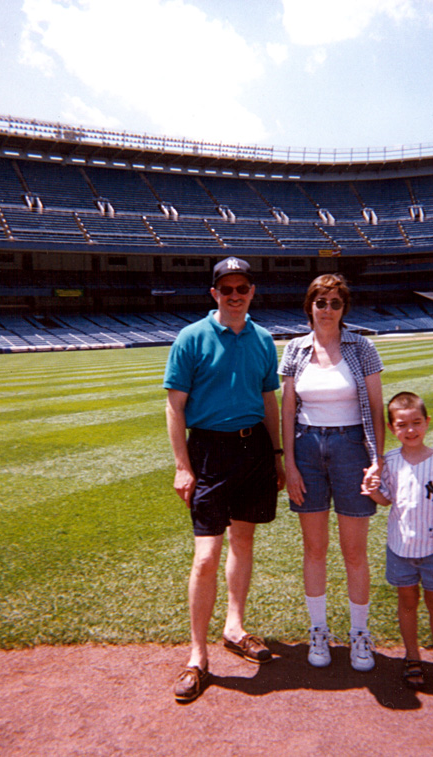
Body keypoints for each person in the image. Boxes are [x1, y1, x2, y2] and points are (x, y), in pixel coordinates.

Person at [164, 256, 286, 703]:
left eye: (243, 288)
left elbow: (267, 399)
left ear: (252, 291)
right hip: (209, 451)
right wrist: (182, 464)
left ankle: (234, 627)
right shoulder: (191, 337)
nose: (235, 295)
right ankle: (198, 656)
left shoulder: (264, 339)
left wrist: (276, 455)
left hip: (254, 449)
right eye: (226, 289)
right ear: (214, 293)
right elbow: (175, 406)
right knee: (206, 556)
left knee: (244, 542)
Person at [279, 273, 385, 672]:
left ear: (344, 309)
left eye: (334, 303)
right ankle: (318, 630)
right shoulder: (295, 349)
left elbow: (376, 409)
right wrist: (289, 462)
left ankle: (360, 634)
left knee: (355, 550)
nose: (326, 310)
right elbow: (288, 410)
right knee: (314, 548)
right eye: (320, 302)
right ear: (310, 306)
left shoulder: (362, 347)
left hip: (351, 448)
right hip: (306, 448)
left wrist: (377, 460)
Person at [365, 391, 433, 691]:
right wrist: (371, 489)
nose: (410, 430)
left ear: (427, 423)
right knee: (407, 603)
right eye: (402, 424)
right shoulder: (391, 461)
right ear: (392, 427)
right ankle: (412, 656)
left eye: (416, 422)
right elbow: (385, 500)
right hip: (401, 549)